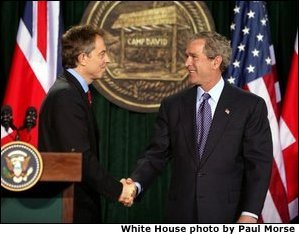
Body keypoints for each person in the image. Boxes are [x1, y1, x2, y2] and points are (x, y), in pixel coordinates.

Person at [124, 31, 273, 223]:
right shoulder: (173, 105)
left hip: (228, 214)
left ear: (215, 61)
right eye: (187, 56)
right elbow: (156, 155)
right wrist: (135, 185)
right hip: (181, 215)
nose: (187, 63)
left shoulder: (249, 106)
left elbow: (259, 164)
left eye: (193, 57)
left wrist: (250, 213)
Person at [38, 25, 135, 223]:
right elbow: (79, 158)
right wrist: (119, 190)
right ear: (83, 58)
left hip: (76, 202)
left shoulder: (73, 92)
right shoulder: (66, 95)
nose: (107, 60)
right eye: (102, 54)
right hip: (69, 209)